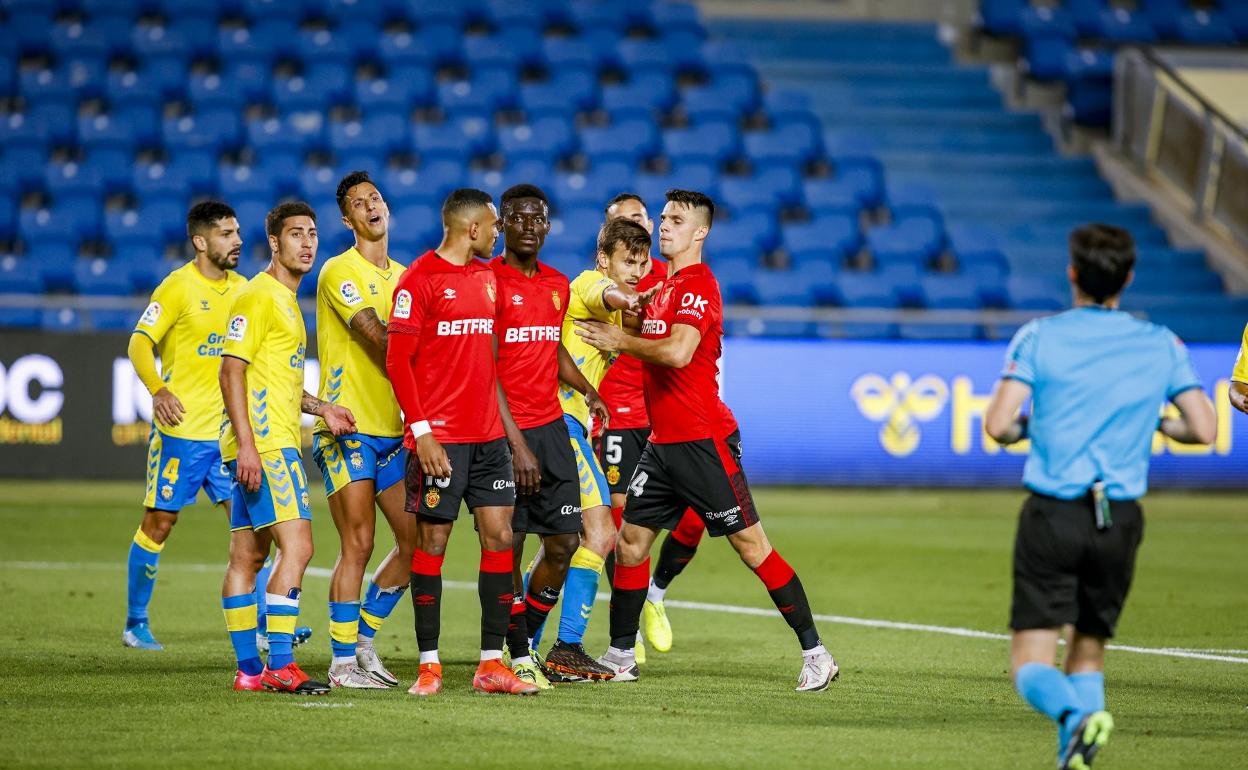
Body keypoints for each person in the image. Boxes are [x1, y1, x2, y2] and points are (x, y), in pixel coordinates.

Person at [575, 190, 838, 691]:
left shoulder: (698, 285)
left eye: (676, 220)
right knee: (630, 544)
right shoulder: (662, 287)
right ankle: (619, 655)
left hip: (701, 441)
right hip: (663, 444)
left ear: (700, 233)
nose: (664, 227)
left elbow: (676, 352)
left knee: (751, 545)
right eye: (665, 217)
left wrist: (621, 340)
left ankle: (816, 653)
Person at [984, 223, 1215, 769]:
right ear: (1127, 279)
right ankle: (1078, 757)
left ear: (1072, 275)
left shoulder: (1040, 336)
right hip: (1120, 519)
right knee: (1088, 649)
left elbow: (998, 423)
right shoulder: (1161, 342)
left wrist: (1030, 430)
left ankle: (1074, 718)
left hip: (1053, 514)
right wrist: (1156, 423)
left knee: (1030, 661)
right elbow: (1203, 429)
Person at [384, 188, 538, 697]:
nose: (499, 233)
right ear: (471, 228)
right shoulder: (419, 281)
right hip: (440, 442)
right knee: (432, 545)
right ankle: (428, 664)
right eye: (494, 225)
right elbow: (396, 362)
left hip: (489, 438)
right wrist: (422, 432)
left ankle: (491, 664)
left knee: (499, 540)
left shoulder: (488, 278)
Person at [219, 202, 355, 694]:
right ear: (274, 242)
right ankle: (279, 663)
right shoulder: (260, 295)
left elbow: (275, 381)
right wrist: (250, 448)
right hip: (268, 446)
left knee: (247, 557)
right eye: (295, 234)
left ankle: (249, 672)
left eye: (313, 234)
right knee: (299, 546)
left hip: (262, 443)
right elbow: (229, 370)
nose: (307, 243)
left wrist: (323, 410)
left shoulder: (286, 301)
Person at [489, 183, 608, 690]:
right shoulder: (488, 283)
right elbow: (486, 367)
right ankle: (514, 654)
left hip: (552, 427)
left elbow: (550, 348)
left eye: (538, 219)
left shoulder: (557, 285)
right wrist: (513, 442)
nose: (530, 227)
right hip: (503, 432)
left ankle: (529, 641)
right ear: (501, 227)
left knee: (563, 543)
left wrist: (587, 389)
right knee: (509, 544)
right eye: (519, 218)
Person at [123, 201, 248, 651]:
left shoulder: (245, 289)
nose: (237, 241)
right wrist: (158, 390)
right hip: (183, 431)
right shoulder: (177, 287)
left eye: (237, 232)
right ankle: (136, 623)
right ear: (200, 241)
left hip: (229, 434)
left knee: (253, 525)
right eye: (226, 234)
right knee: (159, 521)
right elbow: (140, 343)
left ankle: (271, 621)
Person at [535, 217, 651, 682]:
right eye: (628, 262)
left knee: (556, 546)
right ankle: (565, 647)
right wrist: (628, 298)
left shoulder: (621, 318)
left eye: (643, 264)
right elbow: (609, 294)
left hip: (566, 425)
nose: (637, 272)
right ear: (604, 259)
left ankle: (516, 645)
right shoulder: (588, 283)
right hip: (558, 422)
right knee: (600, 535)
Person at [312, 171, 413, 689]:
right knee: (359, 543)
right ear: (347, 219)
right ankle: (341, 663)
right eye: (359, 203)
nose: (371, 206)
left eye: (375, 197)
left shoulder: (407, 276)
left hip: (394, 432)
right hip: (347, 428)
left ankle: (363, 640)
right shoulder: (338, 271)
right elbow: (377, 336)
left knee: (416, 542)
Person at [596, 193, 705, 656]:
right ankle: (629, 626)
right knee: (624, 529)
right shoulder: (602, 281)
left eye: (645, 218)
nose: (641, 226)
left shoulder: (669, 278)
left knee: (698, 517)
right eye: (626, 221)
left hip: (665, 417)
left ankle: (655, 595)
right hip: (619, 415)